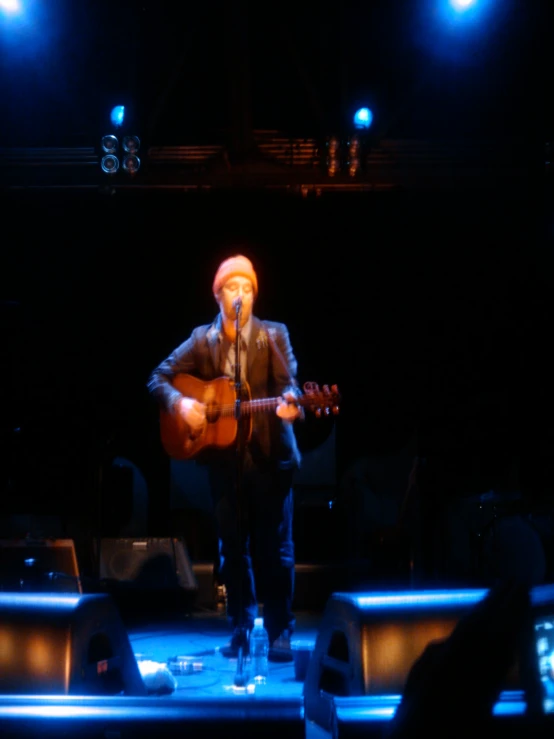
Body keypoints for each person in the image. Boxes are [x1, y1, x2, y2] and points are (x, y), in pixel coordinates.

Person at [147, 254, 303, 662]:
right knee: (232, 550)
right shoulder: (202, 340)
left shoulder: (273, 335)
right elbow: (157, 378)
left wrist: (293, 405)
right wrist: (182, 405)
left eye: (248, 288)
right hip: (224, 464)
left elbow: (292, 388)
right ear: (218, 296)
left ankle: (281, 630)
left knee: (276, 550)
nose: (242, 295)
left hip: (271, 461)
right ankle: (239, 628)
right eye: (233, 288)